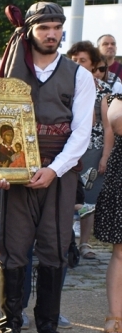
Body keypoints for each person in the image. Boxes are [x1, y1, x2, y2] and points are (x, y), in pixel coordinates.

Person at [0, 2, 96, 333]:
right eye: (44, 28)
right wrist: (2, 168)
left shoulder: (78, 75)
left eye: (57, 27)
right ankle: (10, 328)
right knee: (13, 249)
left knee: (54, 249)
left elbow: (82, 131)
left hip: (59, 172)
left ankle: (48, 328)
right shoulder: (9, 70)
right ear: (31, 32)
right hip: (16, 171)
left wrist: (54, 169)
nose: (52, 34)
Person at [67, 41, 115, 259]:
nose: (77, 64)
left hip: (92, 150)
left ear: (93, 64)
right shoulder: (63, 84)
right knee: (65, 197)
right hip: (66, 149)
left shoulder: (103, 89)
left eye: (82, 60)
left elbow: (108, 126)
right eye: (74, 60)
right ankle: (65, 241)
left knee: (88, 200)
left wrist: (106, 155)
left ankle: (84, 243)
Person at [96, 91, 122, 333]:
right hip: (121, 175)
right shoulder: (115, 98)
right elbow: (114, 130)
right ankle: (116, 314)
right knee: (121, 251)